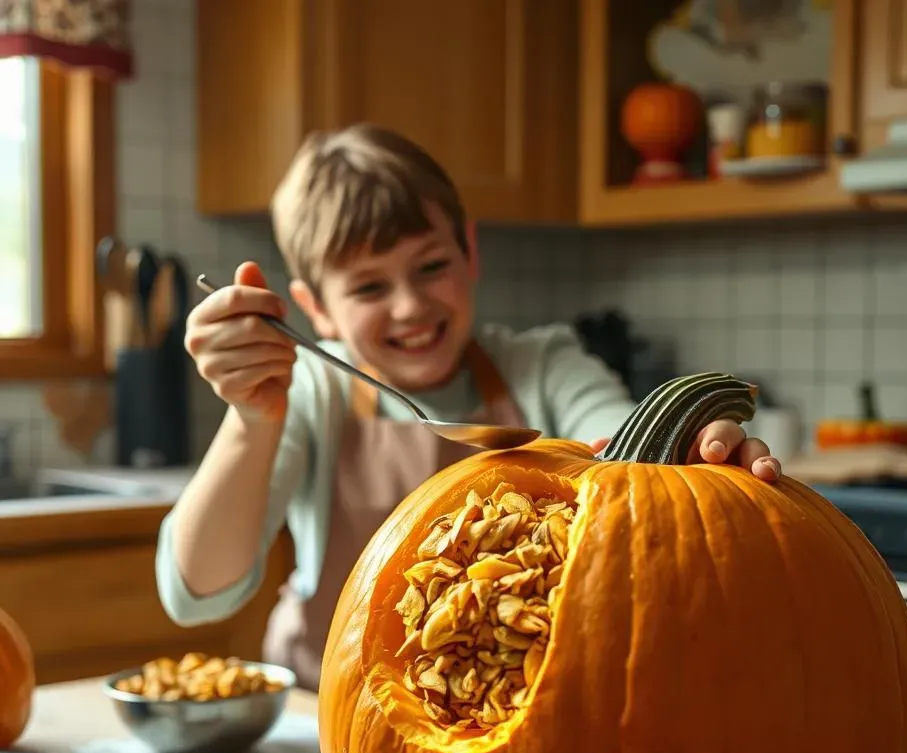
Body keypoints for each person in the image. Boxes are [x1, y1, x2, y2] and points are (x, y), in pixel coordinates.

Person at [155, 123, 781, 690]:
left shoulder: (544, 367)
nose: (410, 306)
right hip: (332, 720)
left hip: (521, 706)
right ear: (314, 306)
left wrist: (692, 452)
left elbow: (630, 457)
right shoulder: (311, 390)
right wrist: (252, 418)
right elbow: (198, 594)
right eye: (370, 286)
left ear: (470, 252)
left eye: (431, 266)